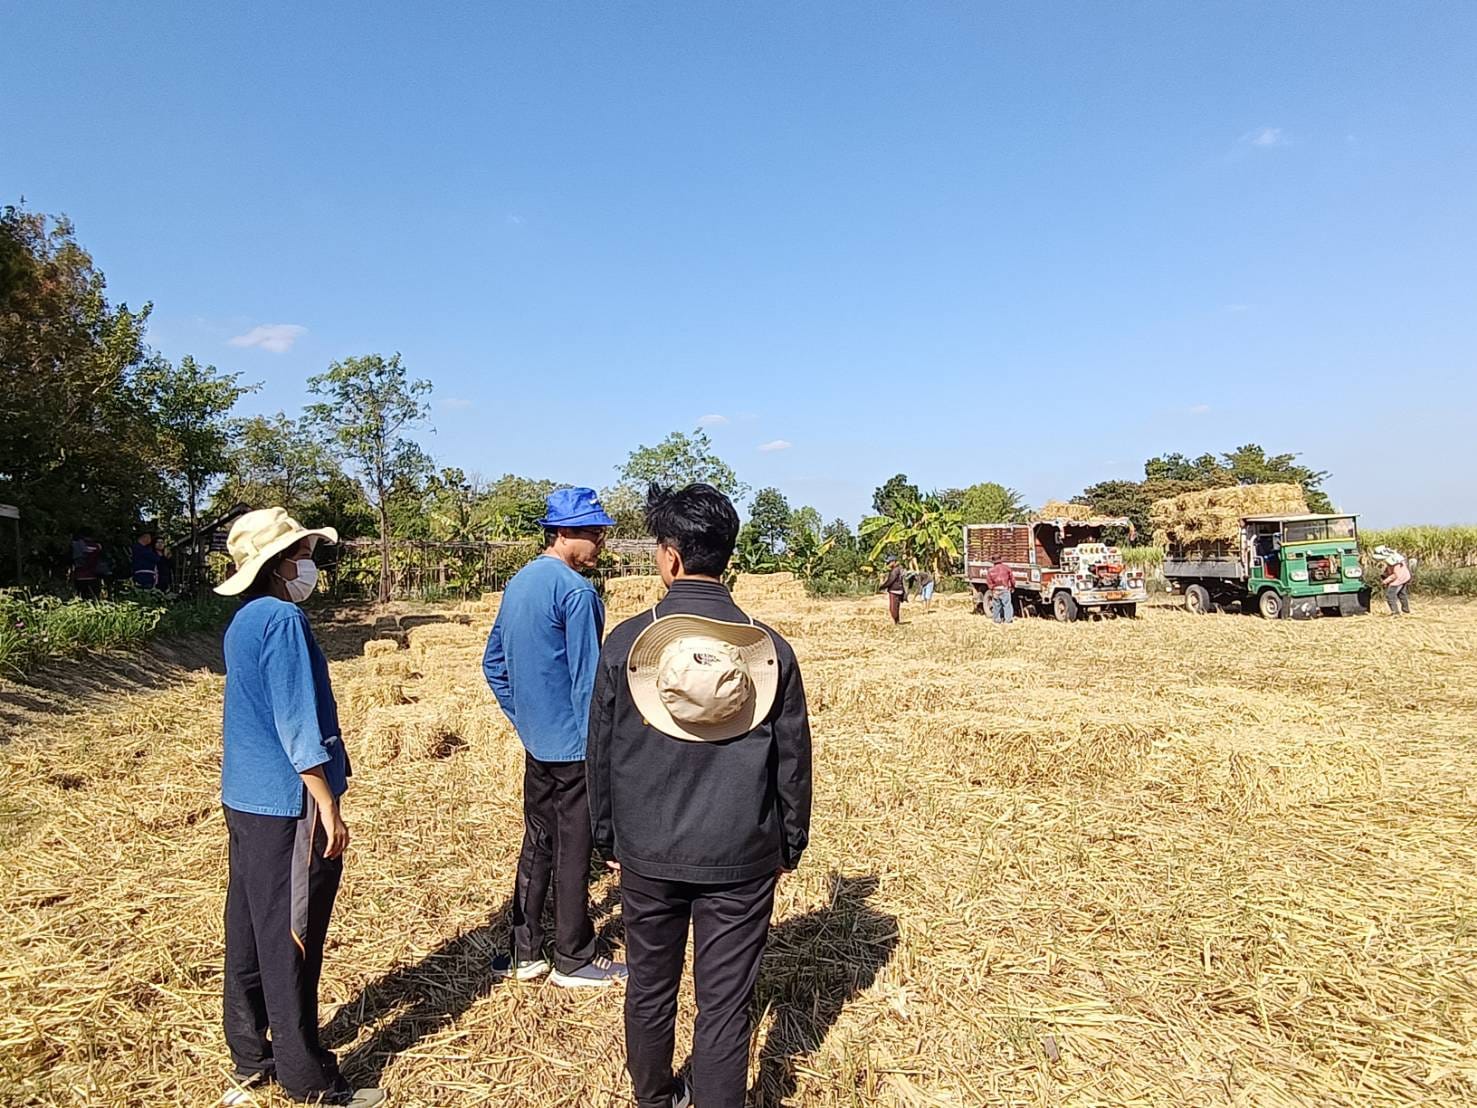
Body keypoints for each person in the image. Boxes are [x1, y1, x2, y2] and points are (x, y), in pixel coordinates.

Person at [588, 483, 812, 1108]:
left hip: (647, 850)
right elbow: (792, 759)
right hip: (742, 853)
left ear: (670, 558)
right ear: (726, 556)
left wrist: (606, 835)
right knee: (726, 1003)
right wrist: (789, 841)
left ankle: (655, 1096)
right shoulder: (772, 652)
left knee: (650, 987)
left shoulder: (626, 645)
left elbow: (599, 752)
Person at [214, 508, 384, 1108]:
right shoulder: (283, 618)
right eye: (306, 552)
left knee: (250, 924)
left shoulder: (242, 621)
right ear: (280, 564)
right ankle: (306, 1077)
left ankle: (250, 1053)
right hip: (288, 803)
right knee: (293, 933)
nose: (311, 563)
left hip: (245, 799)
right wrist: (327, 803)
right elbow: (296, 721)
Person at [482, 487, 626, 987]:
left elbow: (493, 663)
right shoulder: (577, 593)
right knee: (573, 848)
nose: (601, 543)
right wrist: (603, 748)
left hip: (537, 743)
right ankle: (574, 957)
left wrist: (524, 717)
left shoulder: (520, 582)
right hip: (573, 748)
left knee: (537, 843)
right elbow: (591, 684)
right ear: (564, 533)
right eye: (594, 533)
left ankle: (526, 952)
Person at [1376, 546, 1412, 615]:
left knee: (1390, 595)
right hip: (1405, 577)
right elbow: (1390, 569)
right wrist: (1385, 574)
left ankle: (1395, 612)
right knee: (1402, 594)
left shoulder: (1393, 561)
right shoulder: (1395, 557)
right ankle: (1406, 610)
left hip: (1399, 579)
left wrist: (1385, 581)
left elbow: (1395, 575)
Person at [71, 530, 103, 600]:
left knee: (81, 599)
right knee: (94, 600)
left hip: (79, 576)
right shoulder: (97, 546)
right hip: (94, 576)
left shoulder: (75, 545)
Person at [985, 557, 1015, 624]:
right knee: (1007, 605)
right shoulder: (1006, 568)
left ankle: (997, 620)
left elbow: (989, 582)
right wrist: (1012, 586)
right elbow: (1012, 579)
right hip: (1004, 589)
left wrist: (992, 589)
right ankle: (1008, 620)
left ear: (993, 562)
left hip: (996, 590)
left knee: (996, 606)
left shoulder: (990, 570)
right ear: (1001, 560)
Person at [878, 556, 906, 624]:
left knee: (893, 608)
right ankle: (897, 621)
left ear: (893, 561)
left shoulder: (895, 570)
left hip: (894, 590)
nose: (888, 564)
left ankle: (896, 621)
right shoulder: (899, 568)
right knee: (896, 607)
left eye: (889, 562)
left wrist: (882, 587)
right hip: (899, 590)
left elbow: (890, 580)